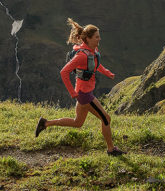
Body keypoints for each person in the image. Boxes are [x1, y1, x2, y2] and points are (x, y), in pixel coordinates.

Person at [35, 18, 125, 156]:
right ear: (88, 39)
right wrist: (72, 92)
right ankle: (111, 149)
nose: (99, 39)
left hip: (84, 92)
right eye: (96, 37)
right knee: (106, 119)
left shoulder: (92, 52)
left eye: (99, 36)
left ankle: (45, 123)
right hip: (84, 95)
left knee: (78, 123)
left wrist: (107, 73)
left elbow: (95, 64)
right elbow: (64, 72)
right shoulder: (81, 55)